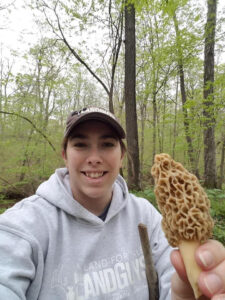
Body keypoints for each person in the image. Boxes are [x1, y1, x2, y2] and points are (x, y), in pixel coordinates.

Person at [0, 107, 224, 300]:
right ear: (65, 156)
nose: (95, 157)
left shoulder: (145, 215)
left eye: (107, 144)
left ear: (122, 155)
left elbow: (174, 285)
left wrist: (186, 293)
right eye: (81, 144)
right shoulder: (22, 226)